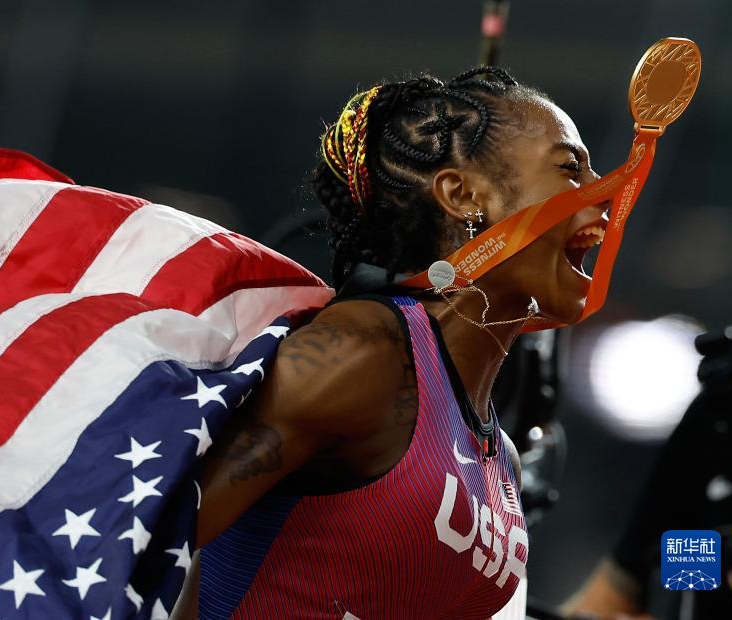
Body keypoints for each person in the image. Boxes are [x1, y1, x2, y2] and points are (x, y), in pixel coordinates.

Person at [175, 67, 610, 619]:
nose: (603, 195)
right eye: (570, 169)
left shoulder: (502, 461)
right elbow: (142, 549)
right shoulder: (363, 353)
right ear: (462, 194)